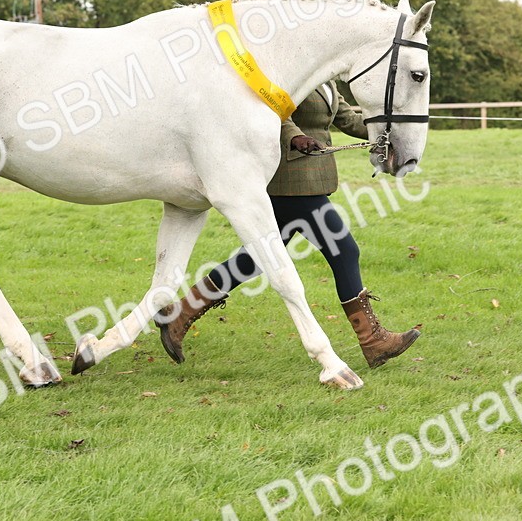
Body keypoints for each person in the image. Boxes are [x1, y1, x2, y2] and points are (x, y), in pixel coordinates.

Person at [155, 83, 420, 369]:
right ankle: (373, 341)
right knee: (344, 251)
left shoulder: (326, 79)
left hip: (310, 179)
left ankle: (179, 314)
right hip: (293, 179)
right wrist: (296, 137)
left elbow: (348, 119)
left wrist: (389, 133)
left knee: (256, 258)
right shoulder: (290, 72)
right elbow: (275, 111)